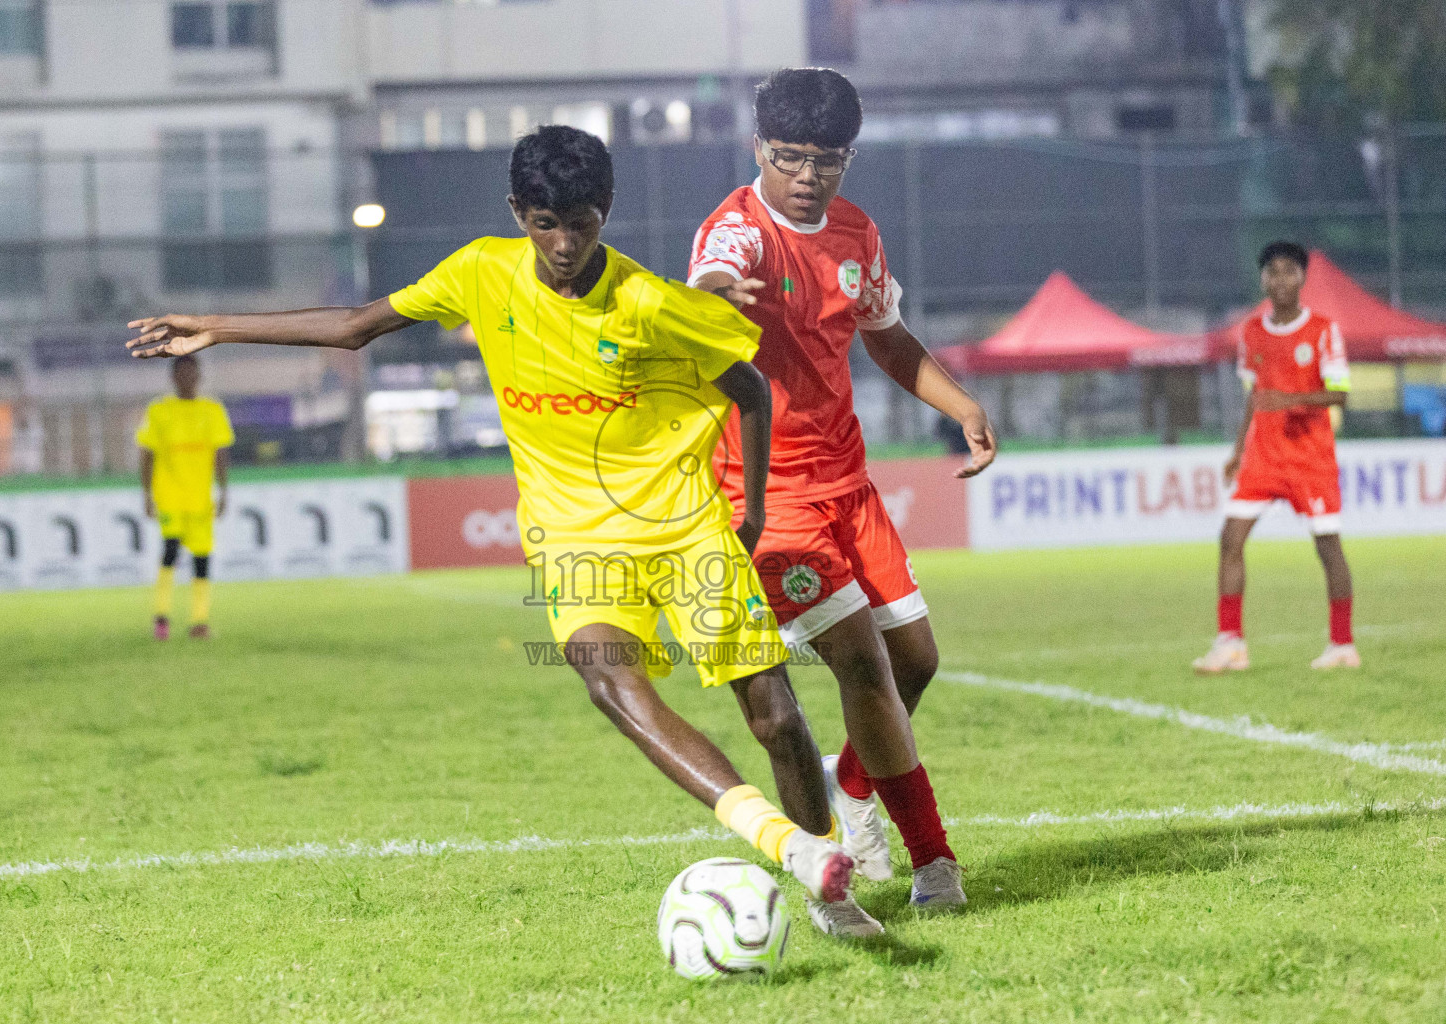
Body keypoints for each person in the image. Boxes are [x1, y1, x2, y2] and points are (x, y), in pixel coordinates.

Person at [126, 125, 872, 929]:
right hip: (575, 541)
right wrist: (215, 324)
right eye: (545, 222)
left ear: (605, 212)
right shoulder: (481, 271)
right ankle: (794, 851)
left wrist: (750, 508)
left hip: (685, 528)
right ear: (519, 211)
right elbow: (354, 325)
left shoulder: (654, 303)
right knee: (609, 684)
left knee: (775, 717)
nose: (562, 242)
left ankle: (826, 873)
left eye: (580, 222)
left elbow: (750, 389)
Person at [689, 68, 997, 920]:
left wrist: (960, 403)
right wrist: (711, 298)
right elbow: (708, 281)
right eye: (789, 156)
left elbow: (888, 340)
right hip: (768, 495)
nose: (807, 175)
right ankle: (931, 862)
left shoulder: (856, 232)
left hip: (848, 485)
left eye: (827, 159)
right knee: (862, 666)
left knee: (916, 664)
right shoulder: (736, 232)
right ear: (759, 148)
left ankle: (852, 787)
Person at [1194, 240, 1359, 673]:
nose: (1280, 278)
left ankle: (1342, 644)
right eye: (1272, 271)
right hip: (1263, 456)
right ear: (1262, 279)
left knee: (1328, 547)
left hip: (1310, 456)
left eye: (1289, 270)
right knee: (1230, 539)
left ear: (1303, 278)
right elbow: (1255, 398)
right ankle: (1231, 643)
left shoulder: (1323, 330)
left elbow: (1339, 394)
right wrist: (1236, 451)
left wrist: (1288, 399)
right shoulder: (1251, 332)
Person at [136, 354, 234, 640]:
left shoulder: (212, 409)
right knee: (170, 551)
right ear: (173, 377)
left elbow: (221, 453)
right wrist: (146, 494)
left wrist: (224, 490)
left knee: (202, 558)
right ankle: (162, 618)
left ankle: (200, 621)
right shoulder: (159, 410)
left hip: (201, 498)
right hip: (169, 496)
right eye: (182, 372)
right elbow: (146, 454)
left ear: (199, 375)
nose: (187, 378)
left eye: (192, 372)